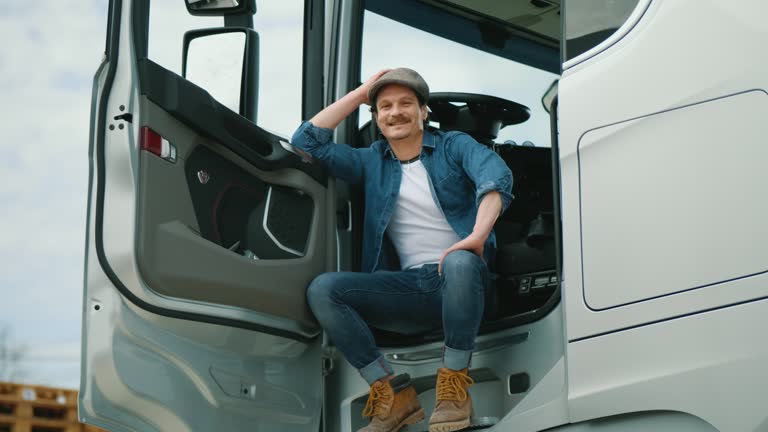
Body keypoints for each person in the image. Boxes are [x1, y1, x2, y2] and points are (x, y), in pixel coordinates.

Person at [290, 68, 513, 432]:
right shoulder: (371, 161)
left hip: (463, 281)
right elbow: (306, 141)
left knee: (458, 262)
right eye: (385, 107)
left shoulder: (453, 146)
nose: (396, 112)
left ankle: (454, 390)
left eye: (406, 103)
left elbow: (496, 177)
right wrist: (361, 93)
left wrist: (475, 238)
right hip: (410, 290)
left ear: (424, 111)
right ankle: (392, 394)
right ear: (376, 118)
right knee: (324, 290)